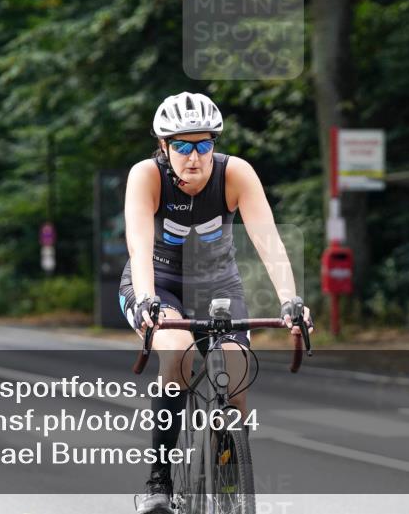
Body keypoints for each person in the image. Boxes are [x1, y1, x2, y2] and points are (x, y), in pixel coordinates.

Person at [119, 92, 313, 514]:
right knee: (178, 354)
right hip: (158, 282)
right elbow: (138, 244)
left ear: (214, 145)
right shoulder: (147, 176)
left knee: (237, 373)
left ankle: (226, 480)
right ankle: (160, 482)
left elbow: (268, 240)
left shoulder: (236, 173)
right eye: (182, 146)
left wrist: (290, 301)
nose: (194, 157)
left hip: (217, 286)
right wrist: (151, 302)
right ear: (164, 147)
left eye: (203, 145)